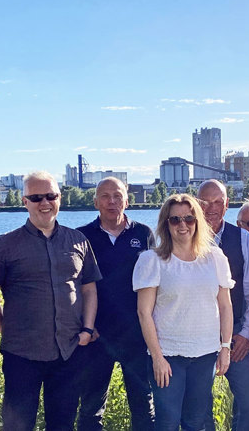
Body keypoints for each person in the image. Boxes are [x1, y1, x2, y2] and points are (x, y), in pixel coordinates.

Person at [0, 171, 101, 430]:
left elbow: (89, 288)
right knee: (17, 425)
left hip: (68, 351)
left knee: (63, 424)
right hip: (22, 354)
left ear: (59, 199)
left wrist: (87, 329)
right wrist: (4, 328)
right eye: (36, 197)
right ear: (25, 202)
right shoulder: (4, 246)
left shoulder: (77, 240)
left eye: (50, 196)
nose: (44, 203)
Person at [132, 194, 234, 431]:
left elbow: (225, 306)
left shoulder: (215, 258)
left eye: (189, 219)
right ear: (165, 224)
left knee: (195, 422)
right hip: (168, 356)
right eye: (175, 219)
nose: (182, 225)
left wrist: (225, 347)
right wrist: (157, 358)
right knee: (167, 423)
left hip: (205, 354)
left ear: (198, 221)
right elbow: (143, 313)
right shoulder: (152, 260)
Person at [77, 177, 156, 431]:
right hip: (97, 336)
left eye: (118, 195)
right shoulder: (82, 236)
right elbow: (74, 287)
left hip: (136, 335)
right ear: (95, 202)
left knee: (143, 405)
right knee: (91, 407)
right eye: (105, 196)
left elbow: (156, 282)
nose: (112, 201)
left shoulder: (143, 234)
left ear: (127, 200)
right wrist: (85, 326)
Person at [197, 180, 249, 430]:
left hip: (236, 333)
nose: (211, 208)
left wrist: (247, 334)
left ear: (226, 205)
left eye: (218, 202)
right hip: (196, 335)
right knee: (199, 407)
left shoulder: (243, 238)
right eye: (205, 202)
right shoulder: (182, 235)